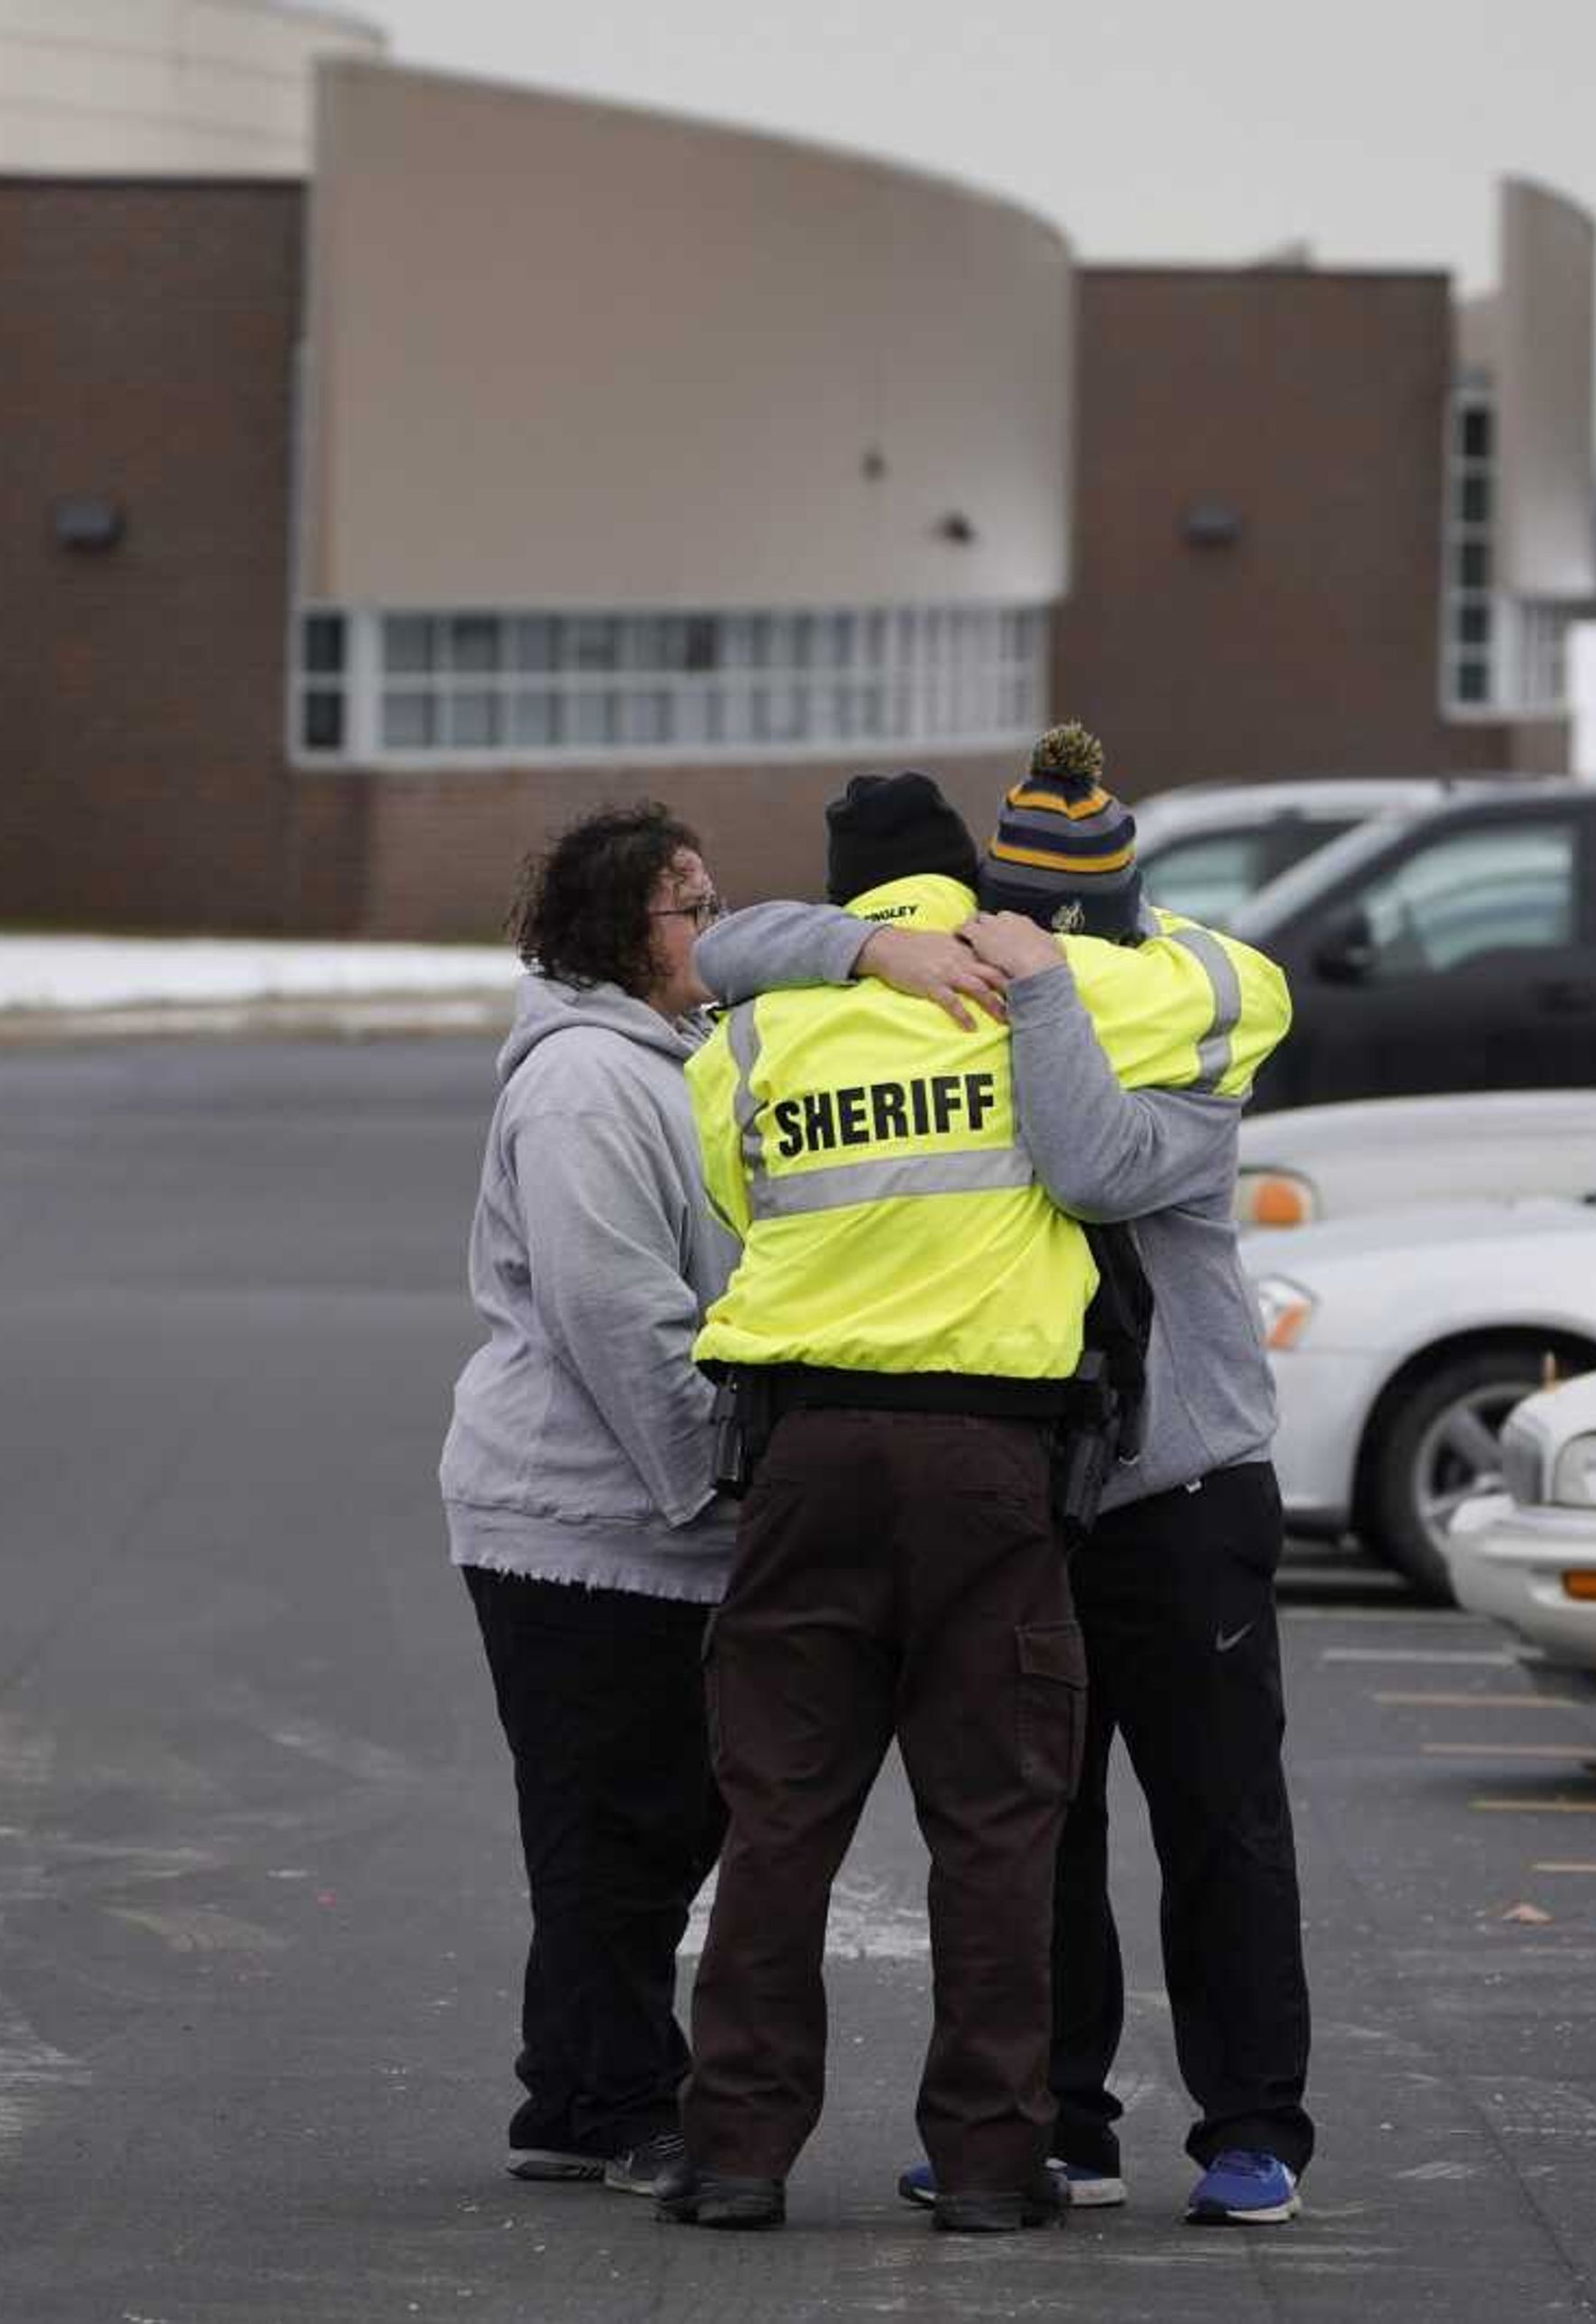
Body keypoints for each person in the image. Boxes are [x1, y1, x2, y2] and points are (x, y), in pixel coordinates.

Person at [697, 724, 1315, 2227]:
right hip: (1027, 1484)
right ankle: (1059, 2118)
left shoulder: (1166, 1024)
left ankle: (1252, 2124)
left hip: (1173, 1484)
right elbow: (731, 948)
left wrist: (1028, 985)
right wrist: (873, 957)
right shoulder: (965, 992)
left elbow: (1089, 1162)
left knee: (1217, 1815)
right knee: (1036, 1825)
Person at [438, 802, 735, 2200]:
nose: (713, 931)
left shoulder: (660, 1063)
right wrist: (709, 1479)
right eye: (691, 906)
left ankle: (567, 2092)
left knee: (635, 1819)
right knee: (619, 1825)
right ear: (626, 932)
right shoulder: (584, 1088)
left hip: (628, 1528)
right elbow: (616, 1307)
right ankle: (624, 2102)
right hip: (580, 1526)